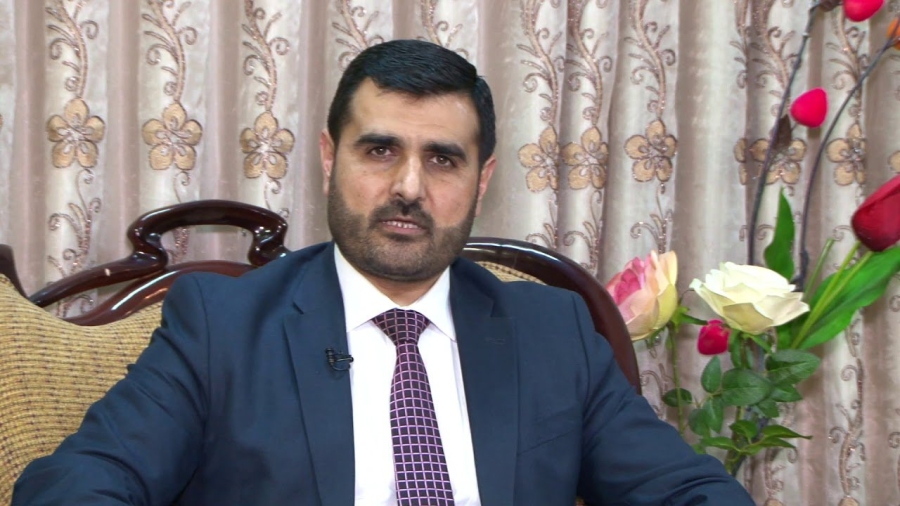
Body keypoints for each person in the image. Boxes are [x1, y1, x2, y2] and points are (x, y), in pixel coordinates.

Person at [12, 39, 754, 506]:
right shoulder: (223, 327)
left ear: (482, 179)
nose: (408, 187)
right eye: (379, 151)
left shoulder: (549, 331)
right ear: (329, 158)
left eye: (443, 159)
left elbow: (685, 489)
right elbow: (78, 484)